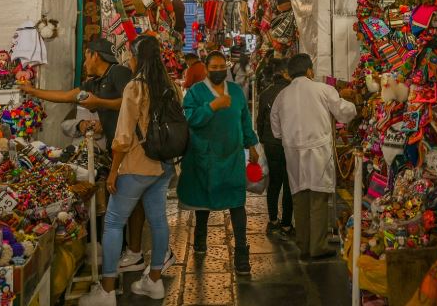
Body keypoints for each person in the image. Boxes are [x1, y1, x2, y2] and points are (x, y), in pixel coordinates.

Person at [20, 37, 149, 273]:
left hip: (132, 145)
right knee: (127, 200)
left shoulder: (118, 72)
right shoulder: (95, 82)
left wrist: (99, 102)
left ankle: (135, 252)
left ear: (94, 55)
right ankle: (129, 252)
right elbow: (68, 96)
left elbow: (131, 102)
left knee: (136, 201)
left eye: (86, 56)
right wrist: (32, 91)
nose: (84, 62)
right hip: (117, 147)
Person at [79, 36, 177, 305]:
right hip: (163, 164)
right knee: (158, 220)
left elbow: (122, 136)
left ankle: (107, 290)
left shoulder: (136, 87)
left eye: (130, 56)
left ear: (136, 58)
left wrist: (113, 171)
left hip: (137, 165)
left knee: (113, 223)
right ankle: (154, 281)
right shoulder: (168, 86)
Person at [177, 51, 260, 275]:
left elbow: (244, 120)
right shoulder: (196, 92)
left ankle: (241, 253)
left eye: (221, 67)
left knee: (237, 202)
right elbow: (189, 119)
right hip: (205, 157)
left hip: (232, 156)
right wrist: (212, 106)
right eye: (213, 67)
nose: (218, 70)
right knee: (204, 202)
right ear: (206, 68)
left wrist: (251, 145)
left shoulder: (235, 91)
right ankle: (200, 238)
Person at [271, 54, 357, 261]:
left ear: (290, 74)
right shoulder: (323, 89)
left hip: (293, 152)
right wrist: (354, 105)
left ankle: (303, 244)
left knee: (300, 197)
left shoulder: (282, 96)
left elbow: (276, 130)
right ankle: (317, 246)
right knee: (318, 197)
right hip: (318, 151)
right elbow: (344, 112)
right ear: (310, 70)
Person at [255, 58, 293, 236]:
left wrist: (263, 140)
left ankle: (273, 220)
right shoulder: (292, 92)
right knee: (289, 183)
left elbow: (260, 121)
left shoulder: (266, 93)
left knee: (274, 182)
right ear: (286, 73)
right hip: (290, 143)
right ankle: (286, 224)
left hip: (271, 143)